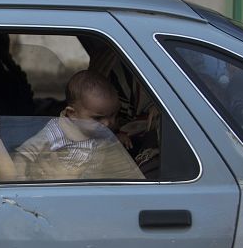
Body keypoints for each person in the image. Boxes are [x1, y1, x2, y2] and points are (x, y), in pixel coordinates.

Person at [11, 70, 144, 181]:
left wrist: (117, 137)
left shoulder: (100, 130)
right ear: (72, 114)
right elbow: (25, 152)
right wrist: (19, 179)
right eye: (98, 118)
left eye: (114, 115)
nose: (108, 123)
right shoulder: (57, 131)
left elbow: (109, 143)